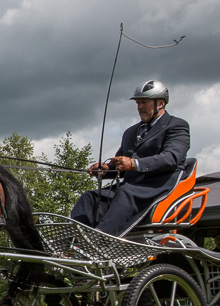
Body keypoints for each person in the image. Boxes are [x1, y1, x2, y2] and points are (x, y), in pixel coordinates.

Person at [70, 80, 190, 236]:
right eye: (138, 103)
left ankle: (101, 238)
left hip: (156, 187)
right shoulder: (131, 132)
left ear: (160, 103)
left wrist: (134, 164)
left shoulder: (176, 126)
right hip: (130, 188)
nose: (139, 107)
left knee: (126, 192)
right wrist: (105, 170)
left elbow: (172, 157)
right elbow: (121, 165)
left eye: (144, 102)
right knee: (90, 197)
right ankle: (75, 239)